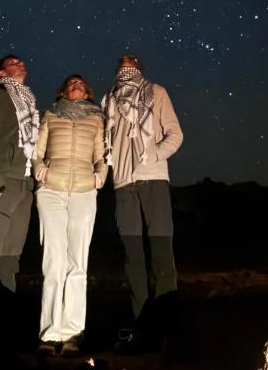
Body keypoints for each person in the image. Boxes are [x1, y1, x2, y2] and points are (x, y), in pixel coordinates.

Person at [102, 54, 183, 352]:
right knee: (132, 257)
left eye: (130, 60)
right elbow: (103, 142)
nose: (124, 62)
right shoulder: (108, 101)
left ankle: (170, 326)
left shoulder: (156, 92)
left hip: (153, 181)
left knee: (161, 253)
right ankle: (140, 323)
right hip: (123, 185)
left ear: (139, 68)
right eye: (120, 61)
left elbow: (176, 134)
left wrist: (155, 154)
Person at [33, 74, 107, 357]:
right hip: (51, 190)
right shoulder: (51, 113)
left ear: (87, 92)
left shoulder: (96, 119)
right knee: (53, 260)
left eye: (80, 83)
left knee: (78, 263)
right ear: (63, 90)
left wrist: (99, 177)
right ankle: (49, 333)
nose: (76, 84)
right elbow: (37, 151)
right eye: (71, 82)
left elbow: (101, 155)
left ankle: (73, 332)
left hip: (84, 192)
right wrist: (42, 172)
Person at [0, 54, 39, 292]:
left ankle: (6, 317)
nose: (21, 63)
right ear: (1, 73)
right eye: (13, 63)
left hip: (23, 187)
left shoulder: (28, 105)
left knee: (11, 257)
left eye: (22, 61)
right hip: (3, 184)